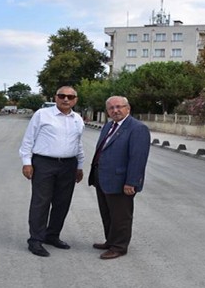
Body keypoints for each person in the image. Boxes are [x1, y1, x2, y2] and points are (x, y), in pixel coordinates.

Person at [19, 86, 85, 257]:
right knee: (41, 202)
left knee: (62, 203)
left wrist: (79, 166)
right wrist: (27, 162)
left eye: (70, 97)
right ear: (55, 97)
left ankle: (52, 235)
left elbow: (78, 144)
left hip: (68, 165)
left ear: (75, 100)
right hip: (44, 163)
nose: (66, 99)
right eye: (62, 96)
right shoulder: (42, 115)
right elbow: (28, 140)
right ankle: (35, 240)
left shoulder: (78, 119)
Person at [88, 96, 150, 260]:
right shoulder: (108, 126)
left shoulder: (137, 128)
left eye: (119, 107)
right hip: (102, 177)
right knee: (107, 213)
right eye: (111, 108)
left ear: (128, 108)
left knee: (121, 216)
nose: (115, 110)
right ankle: (110, 240)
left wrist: (132, 182)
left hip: (121, 180)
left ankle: (119, 247)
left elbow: (138, 158)